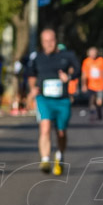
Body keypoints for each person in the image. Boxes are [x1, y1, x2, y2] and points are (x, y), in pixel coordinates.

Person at [27, 29, 80, 175]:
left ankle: (59, 156)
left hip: (62, 100)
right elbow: (31, 75)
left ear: (56, 40)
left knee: (61, 132)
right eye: (45, 41)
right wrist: (32, 90)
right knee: (45, 127)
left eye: (51, 41)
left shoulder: (66, 55)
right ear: (41, 42)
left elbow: (78, 70)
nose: (48, 44)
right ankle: (45, 159)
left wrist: (69, 77)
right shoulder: (37, 57)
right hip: (44, 98)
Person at [81, 46, 103, 121]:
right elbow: (84, 74)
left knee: (99, 102)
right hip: (91, 85)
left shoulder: (101, 60)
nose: (93, 54)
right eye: (91, 53)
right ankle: (92, 113)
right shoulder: (86, 62)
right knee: (92, 100)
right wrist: (84, 85)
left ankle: (99, 112)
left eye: (94, 53)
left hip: (100, 85)